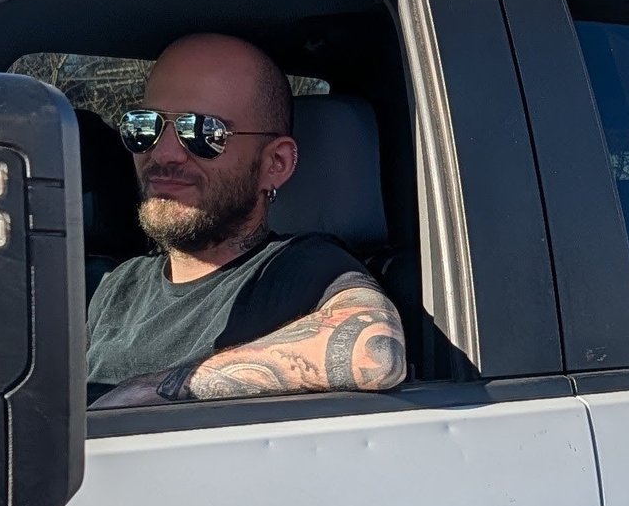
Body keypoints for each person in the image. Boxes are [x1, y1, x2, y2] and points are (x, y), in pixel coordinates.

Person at [84, 33, 406, 407]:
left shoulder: (300, 271)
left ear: (276, 164)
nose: (164, 153)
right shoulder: (116, 287)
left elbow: (376, 353)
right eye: (146, 125)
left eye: (203, 131)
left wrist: (158, 389)